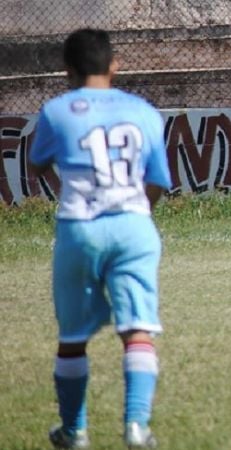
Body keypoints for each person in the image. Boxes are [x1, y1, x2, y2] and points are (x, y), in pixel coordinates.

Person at [28, 29, 171, 449]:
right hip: (133, 226)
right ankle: (136, 427)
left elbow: (38, 164)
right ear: (115, 65)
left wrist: (75, 191)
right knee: (138, 329)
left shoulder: (56, 111)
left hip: (80, 226)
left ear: (67, 71)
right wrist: (138, 210)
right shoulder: (143, 111)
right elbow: (159, 180)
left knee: (72, 336)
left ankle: (74, 431)